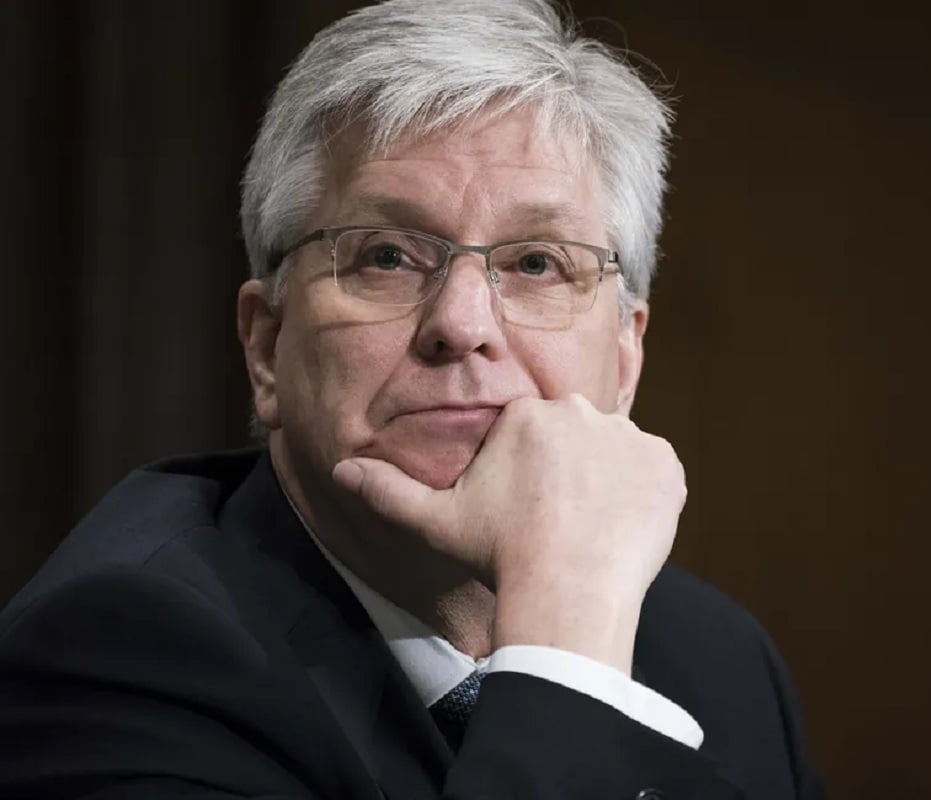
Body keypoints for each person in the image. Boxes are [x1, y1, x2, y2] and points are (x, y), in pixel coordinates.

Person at [0, 1, 824, 797]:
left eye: (537, 263)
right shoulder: (128, 654)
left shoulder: (718, 657)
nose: (461, 325)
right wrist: (566, 656)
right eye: (388, 255)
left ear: (625, 353)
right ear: (265, 349)